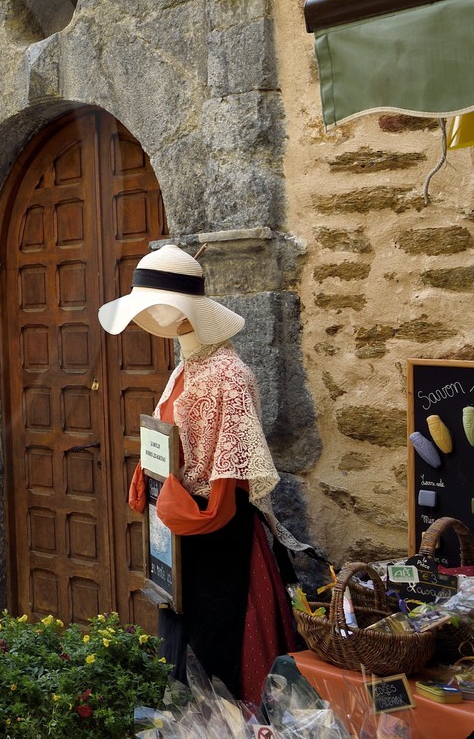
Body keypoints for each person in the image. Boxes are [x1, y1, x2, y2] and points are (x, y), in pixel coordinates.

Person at [100, 244, 301, 706]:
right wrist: (153, 487)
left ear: (183, 312)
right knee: (180, 658)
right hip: (183, 539)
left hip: (217, 544)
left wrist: (173, 506)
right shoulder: (185, 370)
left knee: (215, 662)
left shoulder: (227, 376)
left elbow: (227, 486)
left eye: (155, 306)